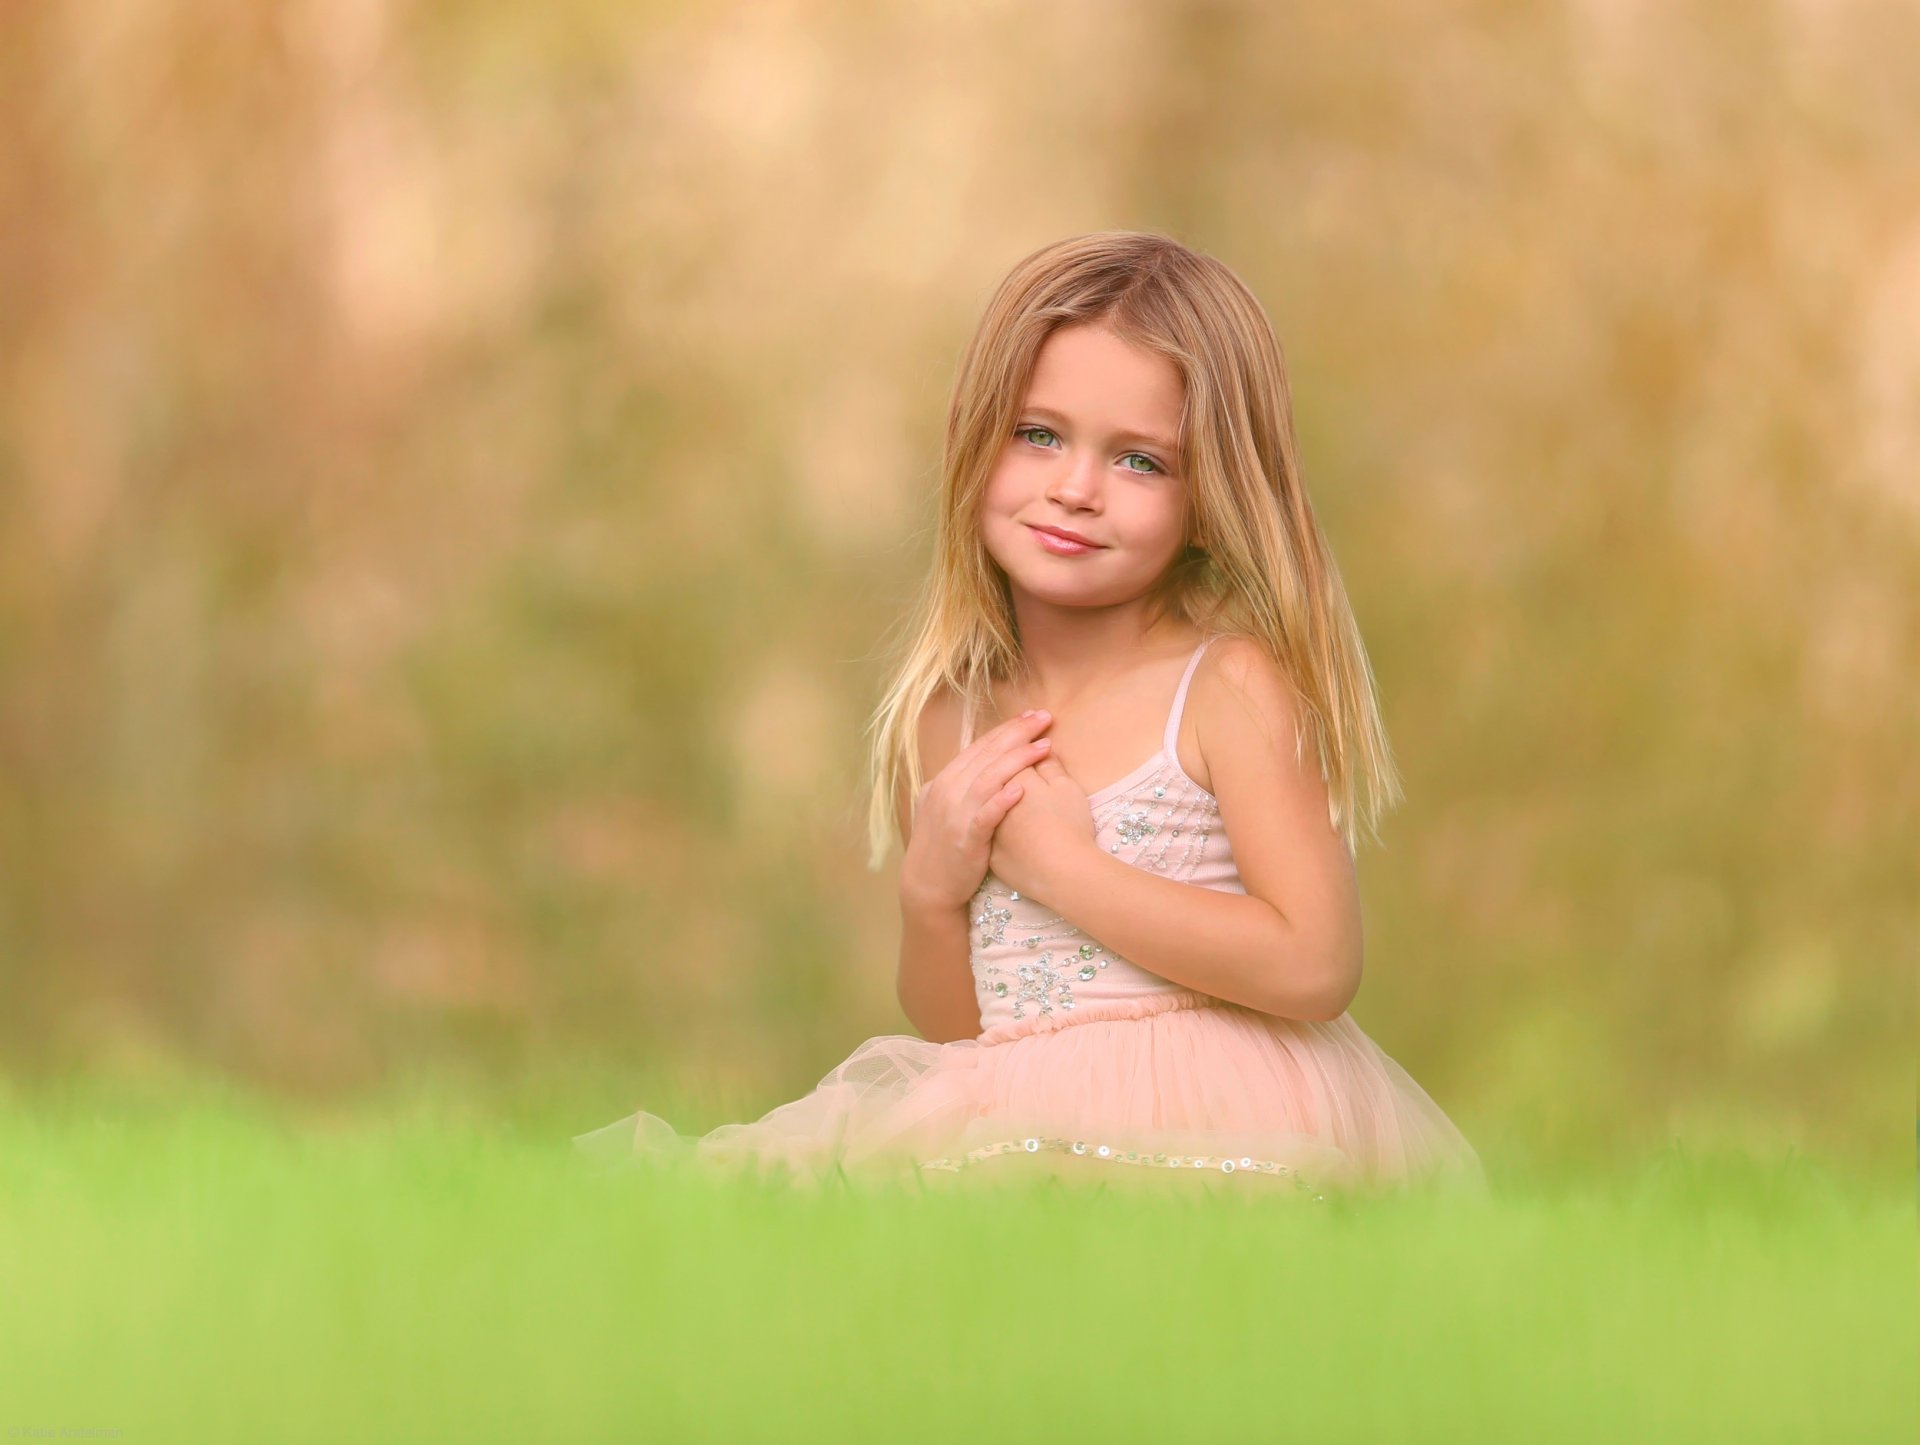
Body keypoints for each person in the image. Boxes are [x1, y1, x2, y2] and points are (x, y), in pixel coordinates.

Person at [575, 231, 1487, 1198]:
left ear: (1211, 494)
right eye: (1039, 434)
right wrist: (928, 893)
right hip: (1011, 1114)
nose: (1076, 489)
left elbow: (1313, 963)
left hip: (1218, 1109)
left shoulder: (1227, 687)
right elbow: (961, 1032)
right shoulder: (952, 716)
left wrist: (1063, 867)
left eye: (1139, 460)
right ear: (977, 436)